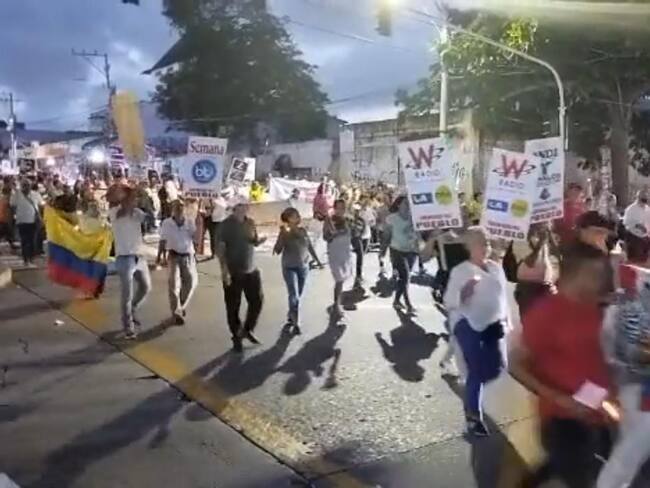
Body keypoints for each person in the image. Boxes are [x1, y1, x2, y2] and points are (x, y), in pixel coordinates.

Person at [510, 242, 613, 488]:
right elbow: (514, 365)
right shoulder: (545, 314)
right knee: (580, 477)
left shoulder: (594, 305)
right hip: (562, 420)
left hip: (596, 411)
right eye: (596, 275)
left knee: (584, 464)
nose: (602, 281)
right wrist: (558, 397)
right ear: (576, 275)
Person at [444, 226, 509, 437]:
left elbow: (502, 297)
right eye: (480, 243)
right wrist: (463, 294)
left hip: (492, 323)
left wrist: (506, 320)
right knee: (476, 368)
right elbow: (449, 301)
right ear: (469, 246)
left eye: (487, 243)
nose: (485, 247)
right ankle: (473, 416)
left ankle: (473, 386)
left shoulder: (496, 268)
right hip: (466, 323)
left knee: (497, 368)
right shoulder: (461, 271)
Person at [597, 231, 650, 488]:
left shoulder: (628, 290)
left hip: (630, 386)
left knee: (629, 453)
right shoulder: (634, 296)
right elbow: (631, 350)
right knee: (628, 455)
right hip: (638, 388)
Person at [217, 202, 266, 352]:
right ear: (235, 208)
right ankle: (236, 335)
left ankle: (247, 329)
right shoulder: (225, 225)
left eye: (246, 205)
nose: (245, 208)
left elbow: (253, 240)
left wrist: (259, 241)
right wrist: (224, 270)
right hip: (234, 270)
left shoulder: (250, 222)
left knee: (257, 300)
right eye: (241, 205)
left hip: (251, 269)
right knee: (233, 305)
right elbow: (220, 248)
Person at [109, 186, 152, 340]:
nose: (135, 201)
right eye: (133, 198)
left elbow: (148, 218)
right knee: (126, 294)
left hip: (139, 255)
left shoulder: (136, 213)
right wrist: (130, 198)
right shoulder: (115, 212)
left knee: (146, 287)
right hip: (124, 257)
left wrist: (144, 200)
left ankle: (133, 308)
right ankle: (128, 327)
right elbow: (124, 211)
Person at [273, 207, 322, 334]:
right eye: (294, 216)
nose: (298, 217)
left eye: (298, 215)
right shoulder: (285, 232)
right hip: (289, 267)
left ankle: (291, 313)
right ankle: (296, 322)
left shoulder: (302, 231)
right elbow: (277, 250)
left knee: (298, 294)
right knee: (293, 294)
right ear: (288, 219)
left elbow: (309, 246)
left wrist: (317, 260)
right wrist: (282, 236)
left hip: (303, 266)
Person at [160, 200, 198, 326]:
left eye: (181, 207)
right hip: (173, 255)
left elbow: (196, 239)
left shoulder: (189, 222)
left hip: (187, 255)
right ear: (173, 209)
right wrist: (160, 256)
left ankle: (180, 306)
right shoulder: (167, 223)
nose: (179, 209)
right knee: (173, 284)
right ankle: (176, 312)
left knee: (190, 283)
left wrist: (199, 225)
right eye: (177, 207)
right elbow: (163, 240)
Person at [511, 223, 559, 317]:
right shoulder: (521, 240)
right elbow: (530, 263)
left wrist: (550, 237)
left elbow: (557, 256)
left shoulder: (544, 241)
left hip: (545, 288)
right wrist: (540, 243)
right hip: (529, 290)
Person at [383, 196, 419, 315]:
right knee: (406, 276)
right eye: (405, 203)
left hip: (411, 251)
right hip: (397, 251)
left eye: (409, 203)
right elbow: (387, 235)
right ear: (398, 204)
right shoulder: (391, 218)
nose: (407, 205)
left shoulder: (414, 217)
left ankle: (397, 300)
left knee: (404, 278)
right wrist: (383, 251)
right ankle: (408, 305)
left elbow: (419, 232)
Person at [323, 199, 353, 322]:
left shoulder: (348, 220)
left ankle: (337, 303)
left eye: (343, 208)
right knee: (339, 280)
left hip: (345, 252)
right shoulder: (329, 220)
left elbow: (355, 233)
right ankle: (336, 306)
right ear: (334, 208)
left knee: (343, 278)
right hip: (335, 252)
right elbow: (326, 237)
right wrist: (334, 234)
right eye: (338, 208)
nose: (340, 210)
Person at [10, 179, 43, 266]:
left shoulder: (35, 194)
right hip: (21, 221)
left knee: (32, 240)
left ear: (30, 186)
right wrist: (14, 216)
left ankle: (30, 258)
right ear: (21, 186)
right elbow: (12, 206)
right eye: (24, 185)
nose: (26, 187)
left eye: (28, 185)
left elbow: (41, 204)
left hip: (33, 221)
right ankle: (26, 259)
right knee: (24, 240)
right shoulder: (16, 194)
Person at [0, 186, 17, 250]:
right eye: (10, 192)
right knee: (4, 232)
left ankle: (12, 245)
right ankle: (12, 245)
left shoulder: (2, 198)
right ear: (8, 192)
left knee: (8, 233)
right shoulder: (6, 199)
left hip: (3, 218)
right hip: (3, 219)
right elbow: (10, 207)